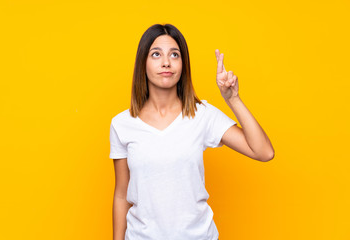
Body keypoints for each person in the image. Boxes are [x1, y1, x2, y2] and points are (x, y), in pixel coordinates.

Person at [110, 23, 275, 240]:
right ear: (143, 63)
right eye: (156, 54)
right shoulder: (122, 124)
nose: (166, 62)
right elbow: (122, 195)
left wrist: (232, 98)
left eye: (175, 54)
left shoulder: (202, 115)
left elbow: (264, 152)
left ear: (183, 64)